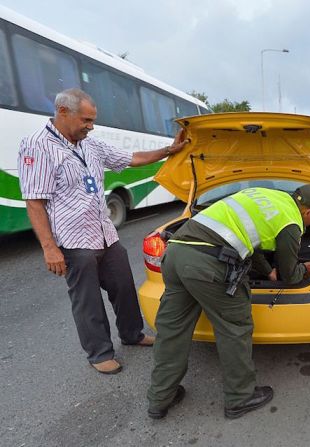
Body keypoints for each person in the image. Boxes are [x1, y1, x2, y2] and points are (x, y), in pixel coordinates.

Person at [17, 88, 187, 375]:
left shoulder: (90, 144)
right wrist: (49, 248)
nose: (91, 126)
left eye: (92, 120)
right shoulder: (37, 145)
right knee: (87, 300)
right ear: (63, 112)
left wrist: (169, 150)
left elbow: (131, 158)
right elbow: (34, 201)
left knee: (123, 286)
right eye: (86, 120)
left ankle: (132, 334)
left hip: (105, 234)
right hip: (73, 241)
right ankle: (99, 353)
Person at [146, 184, 310, 419]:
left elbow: (248, 237)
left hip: (176, 253)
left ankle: (160, 397)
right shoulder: (292, 222)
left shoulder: (267, 195)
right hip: (208, 263)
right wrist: (302, 269)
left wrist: (267, 271)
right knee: (234, 327)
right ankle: (240, 397)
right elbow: (289, 273)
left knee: (172, 329)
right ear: (309, 213)